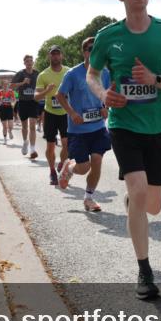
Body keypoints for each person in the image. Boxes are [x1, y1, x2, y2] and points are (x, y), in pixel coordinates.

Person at [86, 0, 161, 299]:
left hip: (158, 126)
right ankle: (144, 270)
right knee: (139, 187)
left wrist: (154, 80)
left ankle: (135, 199)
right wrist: (103, 95)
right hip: (123, 124)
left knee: (152, 205)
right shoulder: (107, 36)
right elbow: (92, 73)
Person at [56, 37, 112, 212]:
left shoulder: (105, 73)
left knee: (97, 161)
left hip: (98, 128)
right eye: (89, 48)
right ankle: (70, 167)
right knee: (83, 167)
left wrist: (105, 107)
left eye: (95, 48)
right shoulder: (73, 74)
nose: (92, 51)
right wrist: (72, 113)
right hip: (78, 130)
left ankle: (89, 198)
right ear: (84, 52)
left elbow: (108, 94)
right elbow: (60, 95)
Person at [35, 46, 70, 186]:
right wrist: (46, 91)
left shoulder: (68, 72)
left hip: (66, 113)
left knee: (67, 144)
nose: (55, 57)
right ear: (49, 57)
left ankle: (61, 163)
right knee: (50, 146)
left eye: (57, 54)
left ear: (61, 56)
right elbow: (36, 97)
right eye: (53, 54)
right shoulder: (43, 75)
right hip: (50, 113)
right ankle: (52, 171)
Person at [11, 55, 42, 159]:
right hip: (23, 102)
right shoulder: (20, 73)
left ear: (33, 62)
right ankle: (25, 142)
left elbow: (42, 85)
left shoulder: (37, 74)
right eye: (27, 61)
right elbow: (12, 86)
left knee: (32, 125)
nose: (29, 63)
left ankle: (32, 149)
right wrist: (23, 82)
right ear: (24, 63)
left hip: (33, 102)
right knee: (24, 126)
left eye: (30, 61)